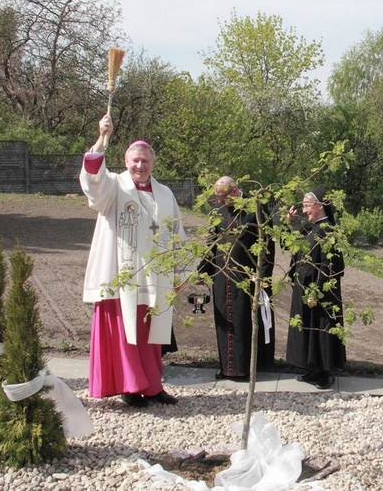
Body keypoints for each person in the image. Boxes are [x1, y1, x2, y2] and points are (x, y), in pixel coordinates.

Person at [80, 114, 184, 407]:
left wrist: (181, 270)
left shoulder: (165, 193)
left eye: (145, 161)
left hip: (155, 277)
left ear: (153, 162)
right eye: (135, 160)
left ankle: (152, 386)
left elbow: (178, 232)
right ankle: (129, 385)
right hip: (120, 274)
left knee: (151, 335)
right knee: (124, 331)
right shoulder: (114, 186)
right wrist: (103, 138)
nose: (140, 165)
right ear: (126, 162)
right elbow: (92, 178)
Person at [197, 176, 275, 380]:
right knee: (224, 322)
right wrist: (202, 270)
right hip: (222, 276)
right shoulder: (218, 211)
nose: (219, 202)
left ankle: (245, 368)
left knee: (243, 322)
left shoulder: (255, 209)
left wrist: (262, 277)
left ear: (233, 191)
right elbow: (211, 243)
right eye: (217, 197)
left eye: (222, 197)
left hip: (245, 277)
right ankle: (227, 367)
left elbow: (267, 247)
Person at [285, 186, 346, 389]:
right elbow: (292, 244)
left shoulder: (328, 230)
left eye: (307, 206)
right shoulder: (311, 227)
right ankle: (311, 368)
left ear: (320, 206)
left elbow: (328, 265)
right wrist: (289, 223)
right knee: (307, 330)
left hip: (320, 291)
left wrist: (317, 291)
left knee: (322, 329)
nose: (304, 210)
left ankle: (325, 372)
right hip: (304, 287)